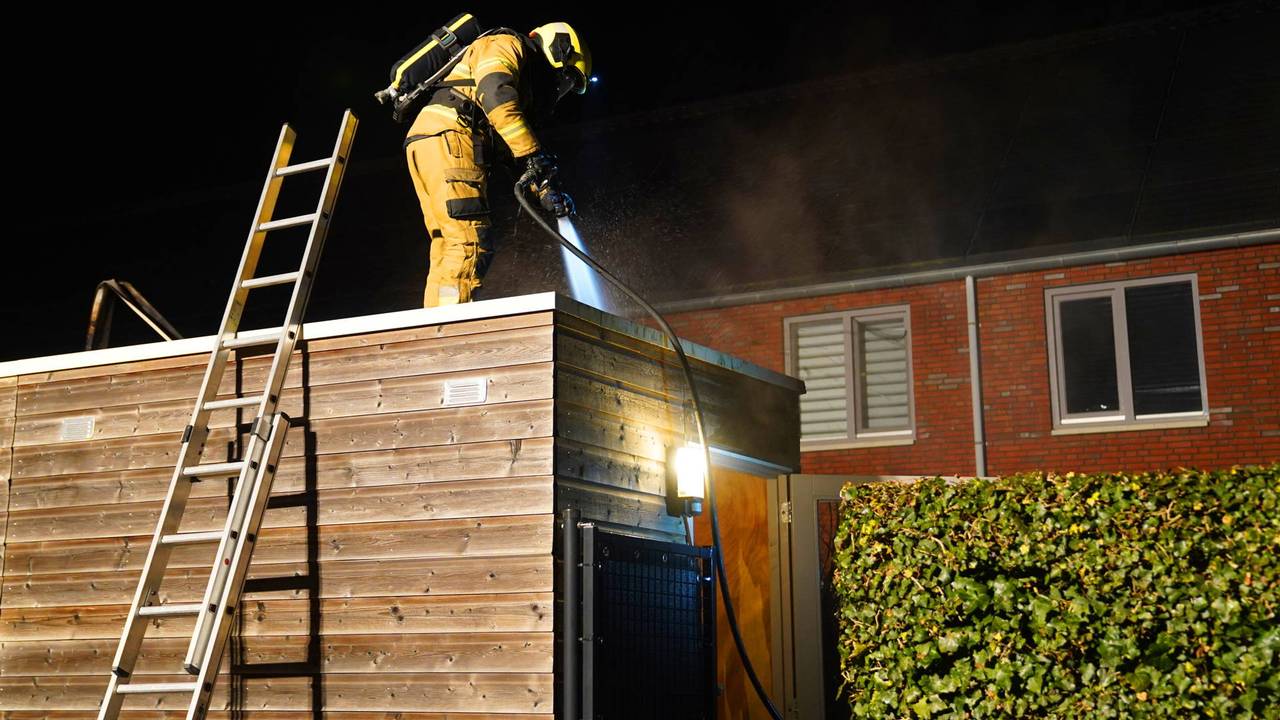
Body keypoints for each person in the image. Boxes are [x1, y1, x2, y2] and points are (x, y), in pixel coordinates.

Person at [404, 22, 590, 307]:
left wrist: (544, 191)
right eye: (566, 78)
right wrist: (533, 154)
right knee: (470, 242)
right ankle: (448, 332)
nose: (561, 88)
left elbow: (510, 148)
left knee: (449, 243)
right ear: (558, 49)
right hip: (452, 136)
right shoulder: (506, 44)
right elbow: (496, 98)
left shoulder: (523, 82)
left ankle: (435, 322)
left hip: (435, 138)